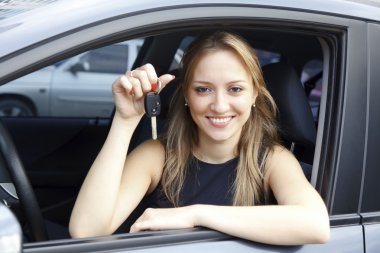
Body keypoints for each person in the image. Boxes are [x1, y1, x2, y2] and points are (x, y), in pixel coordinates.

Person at [69, 31, 330, 245]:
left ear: (254, 96)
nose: (219, 105)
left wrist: (194, 215)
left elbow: (316, 225)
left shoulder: (273, 159)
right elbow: (86, 230)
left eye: (235, 89)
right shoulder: (157, 155)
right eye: (203, 89)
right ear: (186, 96)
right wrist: (125, 122)